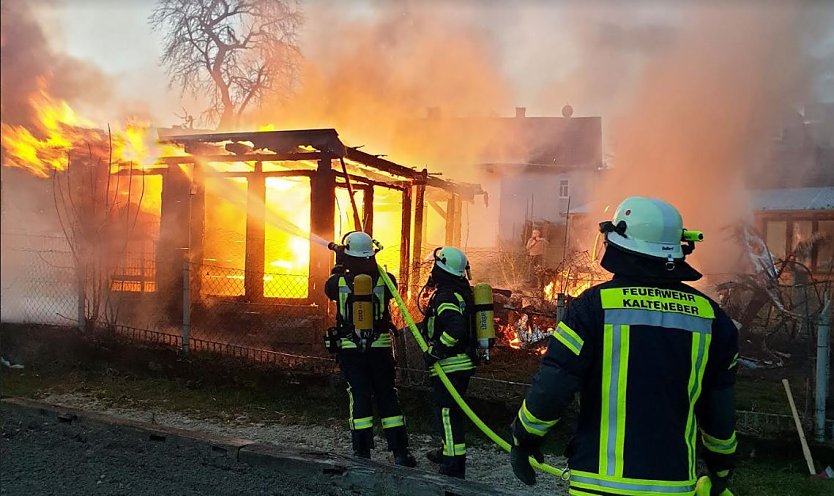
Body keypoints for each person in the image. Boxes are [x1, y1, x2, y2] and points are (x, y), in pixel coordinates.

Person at [510, 197, 739, 496]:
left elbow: (554, 384)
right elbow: (718, 408)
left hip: (598, 483)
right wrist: (721, 468)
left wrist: (524, 437)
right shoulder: (712, 318)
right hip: (672, 486)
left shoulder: (592, 307)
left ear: (617, 245)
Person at [324, 231, 416, 467]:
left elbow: (329, 288)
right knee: (387, 395)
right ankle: (400, 452)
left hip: (351, 348)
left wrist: (339, 264)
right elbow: (390, 287)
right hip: (380, 348)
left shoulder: (338, 282)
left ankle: (362, 452)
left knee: (359, 396)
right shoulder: (387, 280)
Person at [420, 246, 476, 479]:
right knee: (450, 412)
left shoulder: (445, 295)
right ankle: (447, 451)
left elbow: (455, 328)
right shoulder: (460, 292)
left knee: (446, 413)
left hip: (451, 365)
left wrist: (438, 350)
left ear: (440, 268)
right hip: (462, 362)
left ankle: (454, 464)